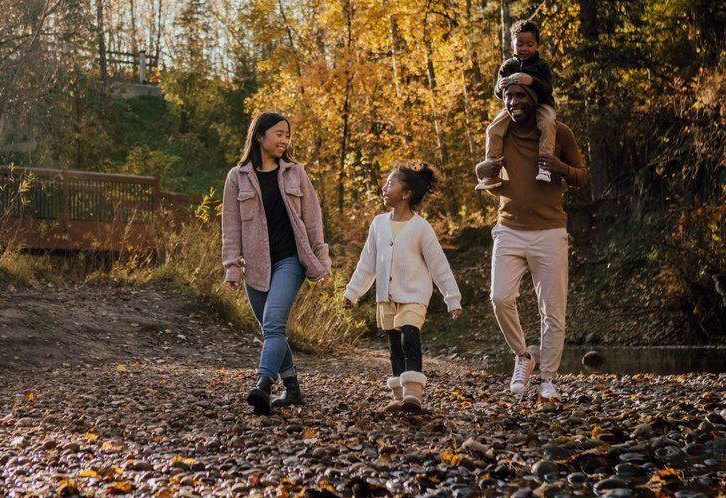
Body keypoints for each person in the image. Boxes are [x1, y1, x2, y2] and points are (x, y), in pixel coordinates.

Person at [474, 80, 589, 400]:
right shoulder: (499, 132)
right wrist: (479, 170)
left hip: (550, 231)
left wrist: (560, 167)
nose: (513, 102)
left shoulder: (558, 133)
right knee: (500, 297)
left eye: (520, 95)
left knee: (552, 311)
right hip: (508, 228)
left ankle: (548, 379)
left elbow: (581, 175)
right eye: (508, 96)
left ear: (534, 99)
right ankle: (523, 357)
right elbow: (490, 180)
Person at [221, 112, 332, 415]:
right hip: (256, 267)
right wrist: (232, 266)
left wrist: (321, 261)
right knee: (273, 331)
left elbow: (312, 222)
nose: (285, 140)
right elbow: (231, 228)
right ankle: (293, 389)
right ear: (259, 136)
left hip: (290, 261)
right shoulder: (238, 176)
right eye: (279, 134)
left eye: (288, 135)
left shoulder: (296, 173)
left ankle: (263, 385)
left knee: (273, 326)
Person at [343, 163, 462, 412]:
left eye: (391, 183)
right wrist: (353, 292)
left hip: (414, 294)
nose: (384, 187)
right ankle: (399, 396)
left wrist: (452, 298)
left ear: (406, 194)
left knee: (410, 336)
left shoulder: (421, 227)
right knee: (394, 345)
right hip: (386, 297)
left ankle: (413, 395)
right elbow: (367, 263)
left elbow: (438, 264)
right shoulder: (378, 224)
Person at [477, 19, 558, 189]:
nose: (524, 48)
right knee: (493, 129)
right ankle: (493, 170)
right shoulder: (508, 66)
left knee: (548, 124)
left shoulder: (541, 65)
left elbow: (547, 89)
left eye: (530, 44)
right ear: (512, 45)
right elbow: (499, 93)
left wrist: (531, 80)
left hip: (541, 104)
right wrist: (499, 86)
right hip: (514, 107)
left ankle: (544, 165)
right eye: (520, 44)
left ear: (536, 46)